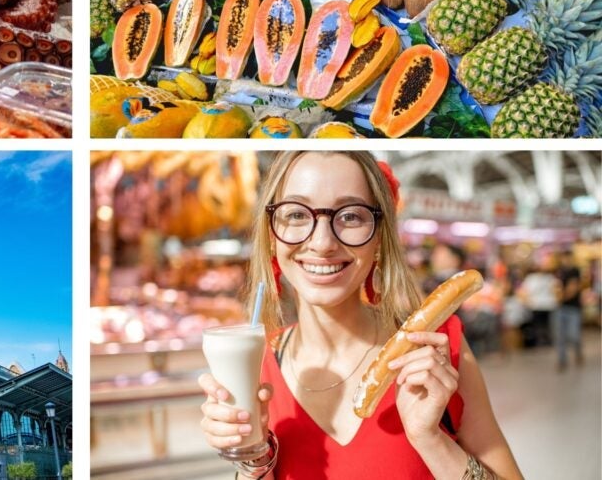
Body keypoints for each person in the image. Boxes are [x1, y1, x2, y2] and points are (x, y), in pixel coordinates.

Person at [198, 151, 521, 479]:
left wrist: (432, 440)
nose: (322, 242)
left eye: (350, 216)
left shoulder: (439, 350)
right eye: (296, 214)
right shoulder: (258, 364)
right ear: (271, 235)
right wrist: (254, 459)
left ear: (379, 235)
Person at [554, 249, 584, 371]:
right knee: (560, 336)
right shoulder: (559, 272)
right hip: (561, 308)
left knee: (574, 334)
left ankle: (578, 351)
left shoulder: (575, 271)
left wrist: (561, 296)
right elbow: (555, 287)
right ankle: (562, 360)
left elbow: (573, 288)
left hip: (573, 308)